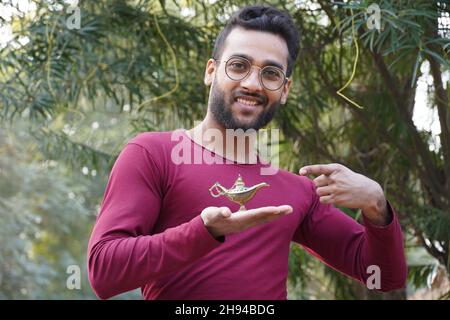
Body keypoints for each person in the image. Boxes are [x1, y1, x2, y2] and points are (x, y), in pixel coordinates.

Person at [87, 5, 407, 300]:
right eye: (239, 66)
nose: (253, 83)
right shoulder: (152, 154)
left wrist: (376, 203)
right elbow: (104, 271)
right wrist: (203, 231)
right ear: (211, 71)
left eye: (270, 73)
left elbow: (384, 277)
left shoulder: (297, 192)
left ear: (284, 90)